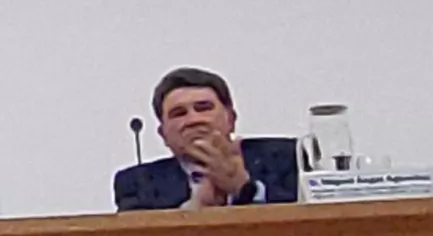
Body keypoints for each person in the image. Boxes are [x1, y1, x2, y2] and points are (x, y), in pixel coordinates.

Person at [112, 68, 302, 210]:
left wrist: (244, 189)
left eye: (204, 108)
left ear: (231, 119)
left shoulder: (286, 157)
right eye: (179, 113)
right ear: (164, 135)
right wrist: (198, 205)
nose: (194, 120)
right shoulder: (136, 182)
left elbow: (312, 217)